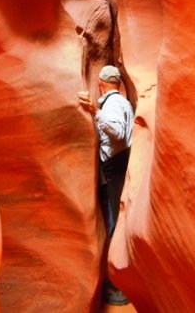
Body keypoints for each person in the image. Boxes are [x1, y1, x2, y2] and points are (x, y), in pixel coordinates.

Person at [78, 65, 134, 306]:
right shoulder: (124, 103)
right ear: (118, 83)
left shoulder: (110, 104)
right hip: (121, 165)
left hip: (112, 168)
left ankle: (113, 284)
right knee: (117, 220)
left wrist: (94, 111)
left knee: (111, 223)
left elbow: (118, 132)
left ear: (101, 82)